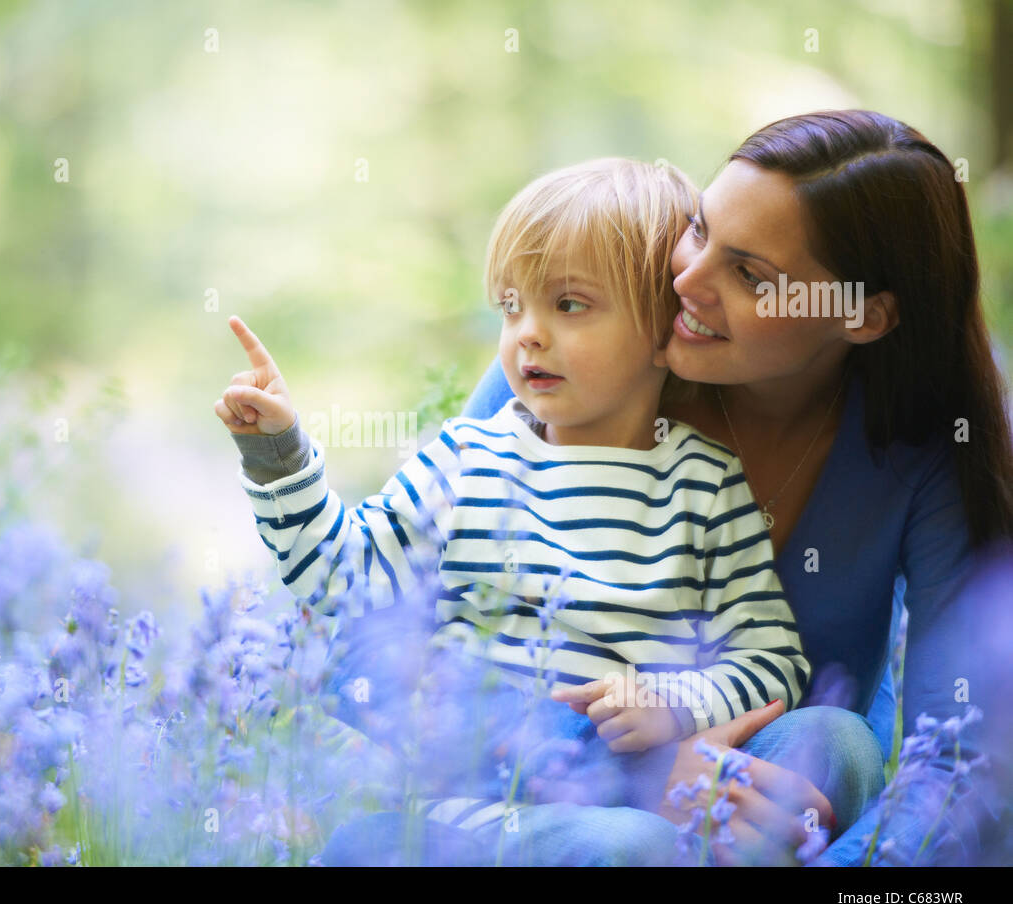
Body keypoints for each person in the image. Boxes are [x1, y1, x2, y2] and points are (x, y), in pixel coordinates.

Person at [215, 158, 815, 862]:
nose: (527, 332)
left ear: (665, 328)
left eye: (569, 305)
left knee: (651, 833)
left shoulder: (703, 483)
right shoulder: (467, 459)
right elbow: (344, 578)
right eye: (511, 306)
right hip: (469, 809)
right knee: (376, 845)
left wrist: (674, 700)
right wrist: (279, 454)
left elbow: (773, 658)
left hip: (621, 808)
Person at [454, 109, 1013, 865]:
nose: (684, 281)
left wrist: (850, 880)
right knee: (631, 842)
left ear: (863, 316)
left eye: (749, 275)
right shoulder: (582, 365)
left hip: (777, 796)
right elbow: (395, 638)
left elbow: (964, 758)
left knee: (833, 737)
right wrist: (641, 769)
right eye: (697, 228)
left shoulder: (922, 453)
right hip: (540, 784)